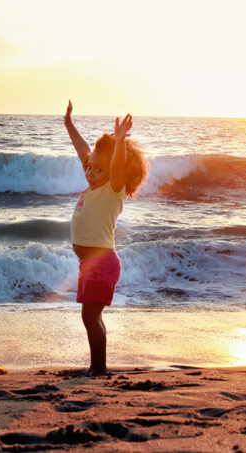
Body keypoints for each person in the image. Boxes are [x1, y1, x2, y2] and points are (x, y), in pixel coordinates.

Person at [64, 100, 149, 376]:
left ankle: (98, 368)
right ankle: (96, 367)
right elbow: (83, 152)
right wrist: (69, 124)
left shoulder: (113, 189)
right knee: (90, 317)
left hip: (103, 263)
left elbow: (117, 164)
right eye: (89, 168)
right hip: (89, 265)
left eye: (98, 169)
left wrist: (121, 140)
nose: (90, 172)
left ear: (113, 172)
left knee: (91, 316)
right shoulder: (92, 186)